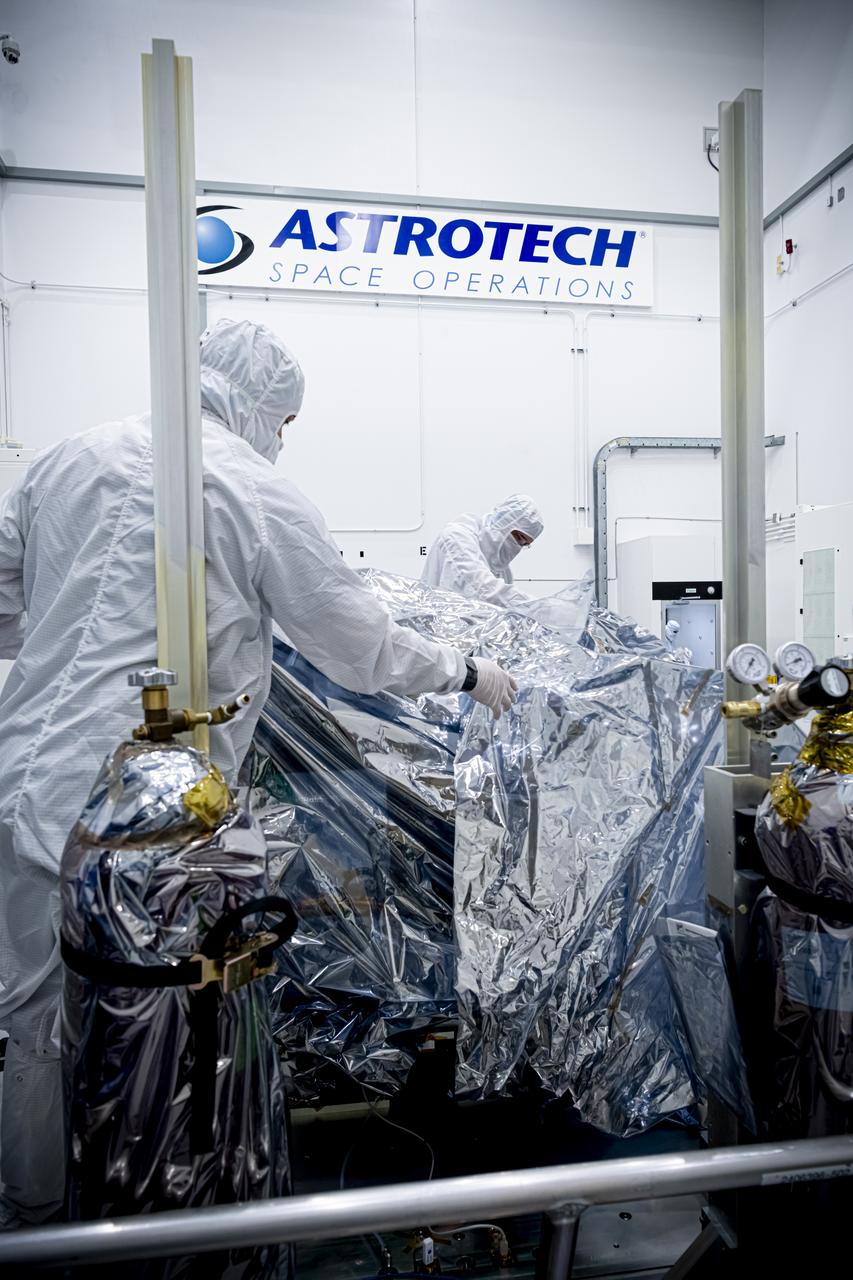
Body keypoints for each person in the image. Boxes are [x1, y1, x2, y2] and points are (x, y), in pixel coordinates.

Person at [0, 317, 516, 1226]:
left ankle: (38, 1220)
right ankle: (151, 1219)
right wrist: (467, 673)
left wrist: (73, 626)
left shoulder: (65, 460)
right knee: (157, 1029)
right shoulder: (248, 486)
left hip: (25, 781)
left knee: (27, 1023)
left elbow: (7, 599)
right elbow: (355, 642)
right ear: (262, 407)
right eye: (284, 420)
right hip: (147, 828)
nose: (282, 437)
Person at [421, 494, 544, 610]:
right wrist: (542, 609)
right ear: (504, 522)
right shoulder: (456, 537)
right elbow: (482, 590)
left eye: (524, 544)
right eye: (519, 537)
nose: (518, 546)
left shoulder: (502, 571)